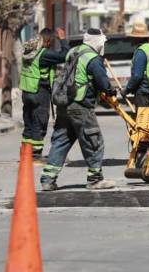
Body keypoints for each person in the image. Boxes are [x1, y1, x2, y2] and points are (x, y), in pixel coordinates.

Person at [40, 29, 116, 191]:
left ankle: (47, 179)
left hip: (63, 103)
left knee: (61, 141)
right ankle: (95, 179)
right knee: (93, 140)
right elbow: (102, 82)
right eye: (102, 43)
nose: (103, 46)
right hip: (80, 105)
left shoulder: (74, 51)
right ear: (97, 42)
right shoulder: (93, 59)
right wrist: (110, 91)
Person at [19, 27, 68, 163]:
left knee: (29, 123)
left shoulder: (28, 52)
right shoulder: (44, 54)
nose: (52, 45)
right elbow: (65, 55)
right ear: (47, 41)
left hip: (26, 91)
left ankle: (26, 153)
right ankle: (35, 156)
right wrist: (63, 39)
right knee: (39, 123)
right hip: (39, 92)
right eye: (51, 42)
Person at [125, 23, 149, 107]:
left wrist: (127, 90)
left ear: (138, 38)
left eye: (133, 37)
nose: (131, 39)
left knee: (143, 119)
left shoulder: (141, 52)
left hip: (144, 92)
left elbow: (137, 76)